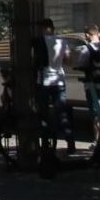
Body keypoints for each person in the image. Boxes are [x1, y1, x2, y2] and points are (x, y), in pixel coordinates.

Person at [31, 18, 77, 153]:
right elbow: (68, 60)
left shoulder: (39, 42)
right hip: (59, 80)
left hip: (44, 80)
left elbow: (35, 61)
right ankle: (70, 140)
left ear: (43, 28)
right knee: (61, 112)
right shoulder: (61, 41)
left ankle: (45, 142)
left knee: (43, 113)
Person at [77, 26, 100, 144]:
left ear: (88, 35)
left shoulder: (85, 49)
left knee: (94, 111)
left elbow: (80, 64)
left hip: (91, 83)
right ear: (98, 34)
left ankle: (97, 139)